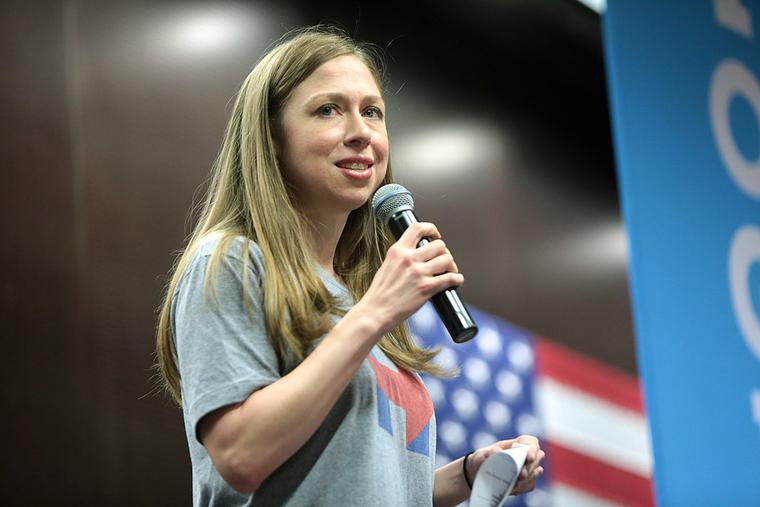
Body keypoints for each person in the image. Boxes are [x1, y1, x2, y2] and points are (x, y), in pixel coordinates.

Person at [156, 26, 544, 506]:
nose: (361, 132)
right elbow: (238, 457)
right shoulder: (233, 260)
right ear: (272, 137)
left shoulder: (355, 301)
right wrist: (375, 313)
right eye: (328, 110)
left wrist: (464, 476)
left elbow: (357, 483)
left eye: (372, 112)